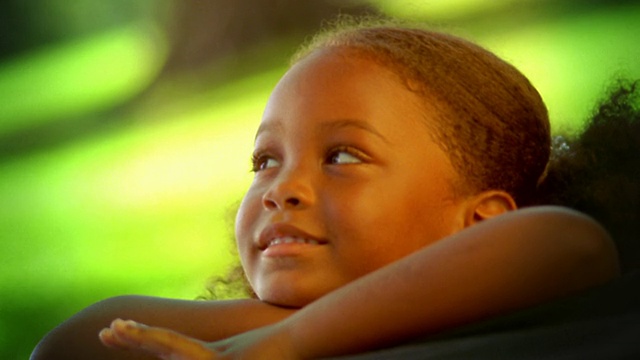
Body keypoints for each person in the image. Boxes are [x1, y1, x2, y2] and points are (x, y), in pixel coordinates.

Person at [31, 17, 630, 360]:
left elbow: (567, 240)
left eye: (343, 155)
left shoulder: (525, 262)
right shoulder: (243, 324)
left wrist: (281, 345)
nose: (280, 188)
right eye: (264, 160)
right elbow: (75, 342)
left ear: (480, 221)